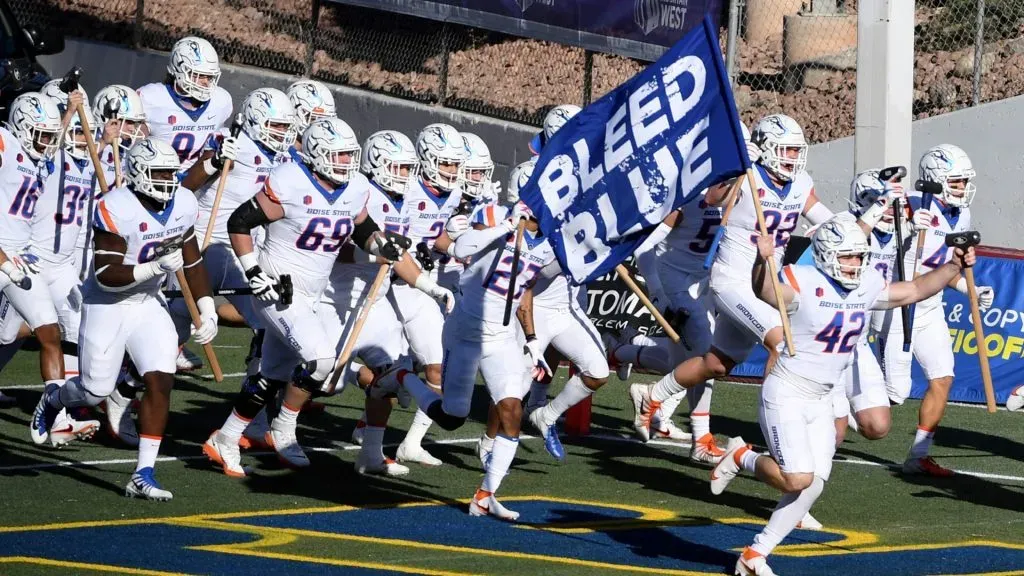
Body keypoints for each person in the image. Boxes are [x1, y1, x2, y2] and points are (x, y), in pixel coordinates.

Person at [710, 213, 976, 576]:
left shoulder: (866, 283)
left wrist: (952, 266)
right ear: (825, 253)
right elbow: (766, 291)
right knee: (796, 479)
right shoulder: (802, 279)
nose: (854, 264)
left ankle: (754, 555)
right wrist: (761, 260)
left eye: (858, 256)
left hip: (821, 397)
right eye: (847, 256)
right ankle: (742, 455)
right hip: (788, 390)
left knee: (813, 485)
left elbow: (913, 290)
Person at [201, 117, 452, 475]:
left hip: (313, 293)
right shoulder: (290, 180)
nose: (346, 162)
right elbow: (239, 222)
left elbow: (366, 233)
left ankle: (225, 439)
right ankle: (283, 431)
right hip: (278, 287)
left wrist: (396, 257)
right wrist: (254, 271)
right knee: (320, 362)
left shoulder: (354, 189)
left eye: (350, 155)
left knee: (272, 374)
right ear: (318, 154)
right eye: (338, 155)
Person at [629, 114, 835, 443]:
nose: (793, 158)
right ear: (765, 149)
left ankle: (652, 392)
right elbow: (712, 200)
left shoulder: (801, 183)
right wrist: (737, 169)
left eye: (797, 151)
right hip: (733, 280)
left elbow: (827, 221)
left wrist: (868, 220)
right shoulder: (746, 175)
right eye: (787, 150)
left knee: (716, 363)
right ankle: (779, 431)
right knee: (782, 344)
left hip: (765, 285)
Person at [31, 138, 218, 501]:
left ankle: (143, 472)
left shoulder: (182, 203)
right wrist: (153, 266)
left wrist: (207, 305)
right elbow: (105, 274)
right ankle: (55, 398)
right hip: (108, 304)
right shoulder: (116, 207)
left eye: (170, 172)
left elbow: (192, 260)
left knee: (161, 380)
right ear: (138, 173)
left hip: (148, 303)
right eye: (158, 173)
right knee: (95, 389)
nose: (166, 180)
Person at [379, 170, 558, 521]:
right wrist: (506, 227)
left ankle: (485, 494)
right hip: (465, 333)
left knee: (511, 409)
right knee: (451, 418)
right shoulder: (493, 216)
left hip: (502, 337)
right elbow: (461, 247)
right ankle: (403, 378)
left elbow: (523, 292)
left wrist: (533, 339)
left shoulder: (550, 245)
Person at [879, 145, 993, 476]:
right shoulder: (912, 203)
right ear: (935, 179)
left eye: (963, 181)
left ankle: (918, 455)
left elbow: (946, 267)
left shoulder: (962, 215)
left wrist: (970, 290)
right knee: (893, 396)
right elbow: (882, 250)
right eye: (955, 181)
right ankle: (833, 415)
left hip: (930, 306)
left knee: (942, 377)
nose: (962, 188)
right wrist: (909, 226)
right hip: (899, 303)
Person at [0, 93, 68, 437]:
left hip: (18, 256)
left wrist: (69, 112)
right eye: (43, 134)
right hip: (1, 252)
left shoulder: (41, 156)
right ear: (23, 128)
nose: (48, 143)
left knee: (49, 330)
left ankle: (55, 416)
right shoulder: (5, 143)